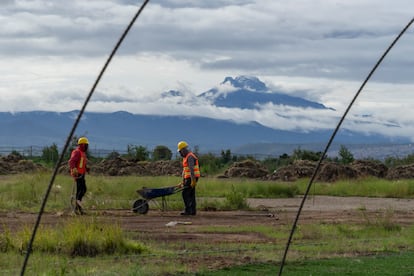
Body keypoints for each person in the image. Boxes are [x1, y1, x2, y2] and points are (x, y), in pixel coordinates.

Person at [177, 141, 200, 216]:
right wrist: (183, 181)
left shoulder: (190, 156)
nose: (180, 153)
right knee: (191, 194)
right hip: (189, 178)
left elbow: (191, 170)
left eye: (180, 151)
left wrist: (193, 181)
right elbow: (185, 170)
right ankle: (192, 211)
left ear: (184, 149)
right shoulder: (185, 157)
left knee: (185, 193)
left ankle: (188, 210)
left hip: (191, 177)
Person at [69, 137, 90, 215]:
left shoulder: (82, 153)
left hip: (82, 174)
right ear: (82, 145)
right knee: (81, 190)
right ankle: (78, 207)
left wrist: (86, 168)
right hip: (78, 175)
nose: (87, 147)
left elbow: (81, 163)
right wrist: (74, 169)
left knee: (82, 190)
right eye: (86, 145)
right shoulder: (77, 152)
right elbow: (71, 161)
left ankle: (78, 207)